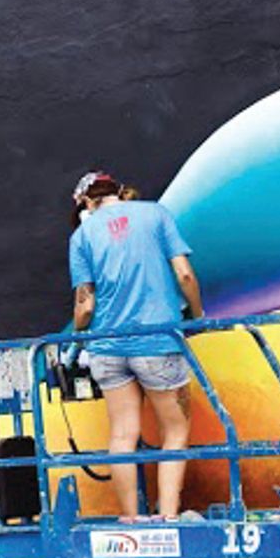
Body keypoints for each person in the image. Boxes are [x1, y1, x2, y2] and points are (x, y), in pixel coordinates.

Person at [67, 171, 204, 520]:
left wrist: (76, 339)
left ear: (87, 203)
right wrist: (197, 315)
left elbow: (85, 306)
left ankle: (131, 518)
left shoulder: (82, 236)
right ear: (117, 191)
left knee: (123, 434)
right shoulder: (156, 214)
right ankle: (167, 517)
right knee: (175, 430)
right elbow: (185, 274)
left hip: (106, 348)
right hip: (157, 342)